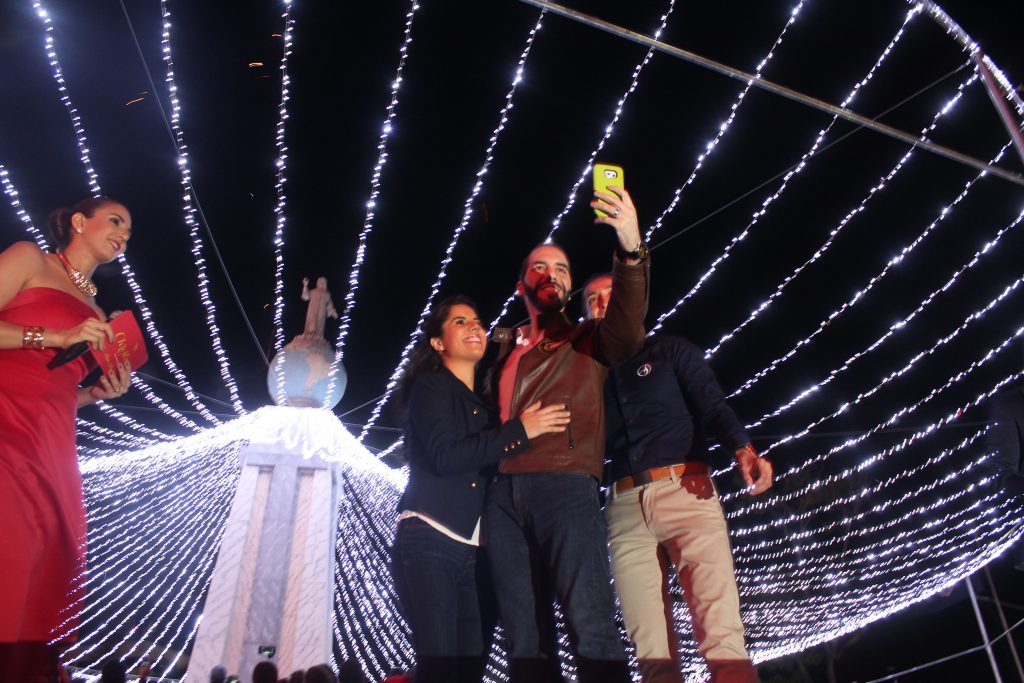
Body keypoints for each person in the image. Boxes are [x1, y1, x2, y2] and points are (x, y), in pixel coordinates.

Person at [483, 185, 649, 682]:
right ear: (521, 285)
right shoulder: (502, 351)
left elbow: (627, 328)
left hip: (565, 484)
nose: (550, 274)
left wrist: (630, 248)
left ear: (569, 285)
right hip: (501, 497)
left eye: (560, 268)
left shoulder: (587, 339)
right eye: (539, 267)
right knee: (524, 640)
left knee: (589, 622)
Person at [583, 273, 773, 683]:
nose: (601, 304)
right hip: (624, 509)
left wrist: (743, 449)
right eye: (592, 299)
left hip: (686, 492)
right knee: (652, 654)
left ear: (633, 300)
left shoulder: (669, 350)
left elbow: (713, 405)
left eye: (610, 294)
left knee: (721, 637)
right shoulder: (588, 377)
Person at [392, 296, 570, 683]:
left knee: (470, 670)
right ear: (437, 342)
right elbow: (445, 456)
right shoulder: (430, 386)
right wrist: (520, 431)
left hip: (476, 551)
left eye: (476, 320)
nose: (474, 326)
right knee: (440, 667)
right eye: (460, 322)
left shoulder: (487, 408)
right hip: (431, 536)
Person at [0, 197, 134, 681]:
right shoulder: (30, 259)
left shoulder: (96, 311)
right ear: (79, 222)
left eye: (128, 231)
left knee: (49, 553)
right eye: (115, 221)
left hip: (53, 443)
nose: (123, 234)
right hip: (6, 423)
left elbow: (57, 390)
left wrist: (96, 393)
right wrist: (54, 337)